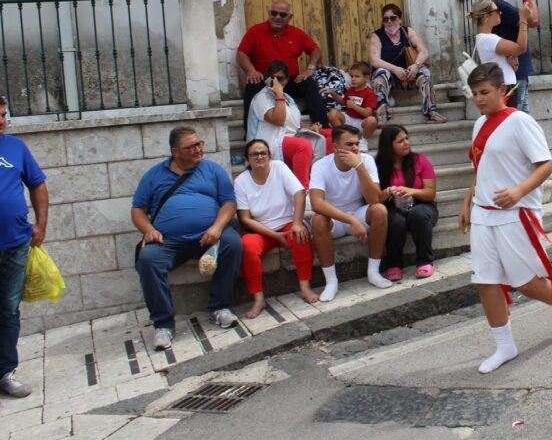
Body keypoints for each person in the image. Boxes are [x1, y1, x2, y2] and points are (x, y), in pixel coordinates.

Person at [457, 62, 552, 374]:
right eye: (475, 94)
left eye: (485, 92)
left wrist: (517, 191)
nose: (480, 99)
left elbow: (545, 165)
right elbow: (479, 167)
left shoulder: (520, 121)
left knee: (523, 282)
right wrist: (467, 200)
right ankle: (504, 346)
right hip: (484, 214)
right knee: (485, 280)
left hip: (516, 212)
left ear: (501, 90)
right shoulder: (477, 125)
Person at [131, 127, 242, 350]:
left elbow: (229, 203)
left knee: (233, 243)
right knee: (148, 258)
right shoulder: (154, 175)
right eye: (191, 146)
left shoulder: (212, 170)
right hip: (170, 242)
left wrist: (218, 227)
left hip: (209, 236)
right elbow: (138, 210)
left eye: (199, 144)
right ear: (175, 151)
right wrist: (148, 230)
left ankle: (219, 307)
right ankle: (163, 324)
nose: (198, 149)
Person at [235, 138, 318, 319]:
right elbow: (245, 218)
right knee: (247, 247)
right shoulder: (241, 181)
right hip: (261, 231)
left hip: (287, 223)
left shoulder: (279, 167)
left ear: (269, 155)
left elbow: (299, 192)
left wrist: (297, 222)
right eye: (254, 154)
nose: (259, 157)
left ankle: (305, 287)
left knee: (301, 235)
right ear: (247, 159)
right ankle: (258, 298)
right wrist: (274, 235)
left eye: (263, 153)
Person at [309, 125, 392, 301]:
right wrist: (350, 221)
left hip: (359, 212)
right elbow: (316, 203)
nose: (355, 148)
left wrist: (360, 168)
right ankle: (331, 281)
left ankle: (373, 272)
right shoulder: (321, 166)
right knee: (317, 221)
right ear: (335, 147)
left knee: (380, 210)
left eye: (357, 143)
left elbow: (374, 200)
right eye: (349, 144)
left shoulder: (366, 160)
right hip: (336, 219)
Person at [0, 96, 48, 398]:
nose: (1, 121)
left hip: (16, 244)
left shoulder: (16, 147)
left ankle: (5, 372)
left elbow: (38, 184)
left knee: (8, 309)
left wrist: (41, 225)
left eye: (3, 114)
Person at [237, 0, 329, 127]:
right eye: (274, 13)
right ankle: (249, 134)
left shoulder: (296, 33)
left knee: (309, 83)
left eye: (282, 14)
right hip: (267, 81)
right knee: (252, 86)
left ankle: (323, 127)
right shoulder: (255, 31)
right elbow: (242, 53)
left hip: (289, 81)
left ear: (289, 17)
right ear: (269, 14)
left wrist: (310, 69)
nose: (277, 17)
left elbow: (315, 50)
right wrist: (251, 70)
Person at [246, 60, 323, 189]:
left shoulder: (288, 98)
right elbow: (279, 120)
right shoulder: (262, 97)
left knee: (330, 135)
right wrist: (279, 95)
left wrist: (311, 128)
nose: (275, 81)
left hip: (292, 135)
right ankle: (303, 189)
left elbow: (295, 122)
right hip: (272, 140)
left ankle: (320, 184)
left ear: (287, 80)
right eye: (272, 77)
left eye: (280, 78)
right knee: (303, 146)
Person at [376, 125, 438, 281]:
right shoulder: (379, 166)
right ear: (388, 145)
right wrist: (389, 191)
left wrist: (412, 191)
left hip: (423, 205)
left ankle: (425, 261)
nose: (406, 143)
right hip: (393, 207)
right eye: (400, 141)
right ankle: (394, 264)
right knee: (395, 220)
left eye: (407, 138)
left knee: (418, 214)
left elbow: (430, 193)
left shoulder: (420, 160)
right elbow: (375, 198)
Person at [369, 4, 447, 125]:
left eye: (393, 18)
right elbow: (374, 60)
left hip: (410, 75)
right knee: (380, 73)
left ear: (399, 19)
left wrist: (415, 66)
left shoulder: (408, 31)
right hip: (391, 80)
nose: (389, 21)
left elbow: (424, 52)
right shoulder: (377, 36)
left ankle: (432, 111)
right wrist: (395, 69)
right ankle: (382, 116)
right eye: (386, 19)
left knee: (424, 71)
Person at [478, 0, 539, 112]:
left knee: (522, 118)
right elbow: (533, 21)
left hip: (512, 70)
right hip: (513, 74)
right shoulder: (498, 5)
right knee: (519, 117)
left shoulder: (495, 5)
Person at [470, 0, 530, 98]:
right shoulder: (488, 39)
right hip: (505, 88)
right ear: (486, 16)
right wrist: (523, 19)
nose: (500, 13)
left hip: (505, 86)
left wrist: (513, 64)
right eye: (497, 11)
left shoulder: (484, 39)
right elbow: (520, 48)